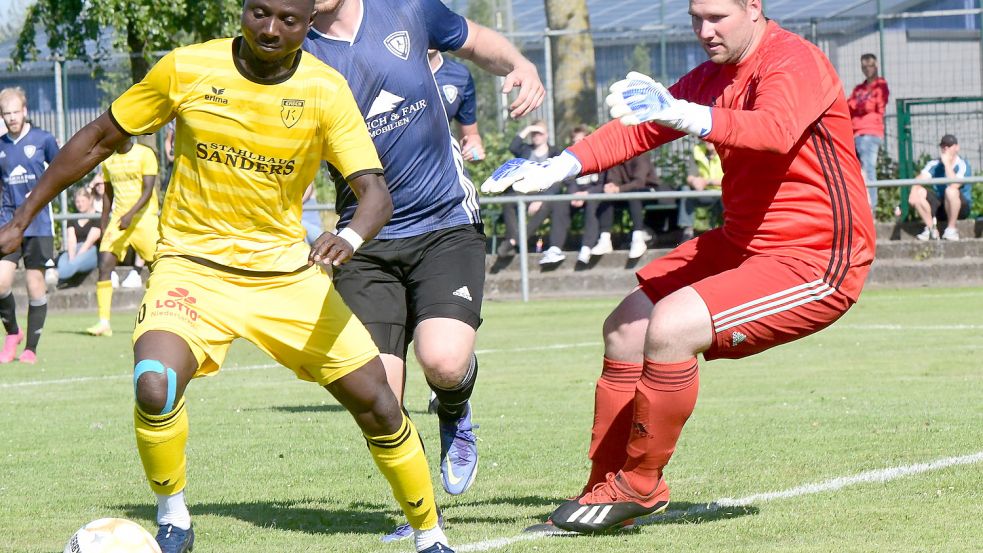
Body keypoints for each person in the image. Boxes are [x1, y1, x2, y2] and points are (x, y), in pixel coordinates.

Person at [0, 2, 456, 553]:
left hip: (287, 276)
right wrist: (23, 216)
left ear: (309, 22)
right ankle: (173, 519)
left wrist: (350, 238)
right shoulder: (187, 68)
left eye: (287, 19)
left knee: (380, 404)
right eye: (258, 12)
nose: (269, 29)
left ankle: (430, 534)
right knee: (154, 383)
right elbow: (98, 137)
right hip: (191, 269)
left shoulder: (325, 90)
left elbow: (375, 193)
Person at [482, 0, 875, 532]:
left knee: (670, 328)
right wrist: (561, 165)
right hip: (743, 243)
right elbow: (639, 130)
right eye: (695, 18)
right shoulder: (715, 74)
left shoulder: (794, 60)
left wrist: (683, 113)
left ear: (754, 8)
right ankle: (604, 484)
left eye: (717, 17)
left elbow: (774, 128)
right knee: (625, 328)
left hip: (818, 256)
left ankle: (641, 484)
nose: (703, 30)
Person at [305, 0, 543, 542]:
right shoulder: (296, 52)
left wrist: (520, 66)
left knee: (443, 360)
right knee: (379, 399)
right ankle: (420, 513)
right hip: (362, 236)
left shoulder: (406, 9)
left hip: (444, 223)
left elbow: (477, 38)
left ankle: (455, 407)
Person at [0, 86, 59, 365]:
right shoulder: (0, 145)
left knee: (35, 285)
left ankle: (31, 349)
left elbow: (61, 173)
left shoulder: (43, 139)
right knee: (0, 284)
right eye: (6, 113)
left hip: (38, 223)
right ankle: (13, 333)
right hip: (8, 225)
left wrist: (38, 196)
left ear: (25, 111)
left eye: (15, 112)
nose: (11, 118)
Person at [86, 137, 160, 337]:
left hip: (144, 219)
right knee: (105, 265)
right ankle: (104, 322)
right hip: (119, 221)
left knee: (158, 269)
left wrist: (130, 214)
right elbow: (108, 195)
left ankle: (161, 317)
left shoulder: (145, 154)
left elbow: (147, 191)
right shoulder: (108, 161)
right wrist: (103, 222)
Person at [497, 121, 564, 259]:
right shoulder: (525, 150)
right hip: (524, 192)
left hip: (544, 194)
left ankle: (513, 241)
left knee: (545, 206)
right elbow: (513, 146)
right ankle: (517, 240)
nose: (536, 136)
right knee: (508, 200)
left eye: (539, 133)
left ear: (546, 135)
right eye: (534, 133)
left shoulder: (555, 153)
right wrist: (528, 128)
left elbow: (558, 180)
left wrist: (541, 198)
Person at [588, 153, 658, 260]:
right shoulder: (616, 155)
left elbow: (639, 182)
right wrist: (611, 185)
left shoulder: (641, 154)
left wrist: (618, 189)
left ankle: (638, 239)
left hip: (648, 190)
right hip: (625, 191)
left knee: (633, 193)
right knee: (607, 197)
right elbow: (613, 178)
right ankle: (605, 238)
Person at [847, 53, 889, 214]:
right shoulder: (859, 88)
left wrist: (858, 105)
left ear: (876, 65)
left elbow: (873, 105)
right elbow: (849, 105)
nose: (867, 69)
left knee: (869, 168)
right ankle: (861, 204)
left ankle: (871, 207)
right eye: (864, 66)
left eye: (870, 65)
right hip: (855, 133)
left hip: (870, 133)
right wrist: (860, 105)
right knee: (858, 171)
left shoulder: (881, 85)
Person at [909, 134, 971, 241]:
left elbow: (954, 184)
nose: (945, 148)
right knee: (918, 191)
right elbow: (920, 179)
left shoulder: (962, 164)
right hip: (940, 206)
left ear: (957, 147)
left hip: (960, 208)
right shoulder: (934, 164)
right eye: (943, 146)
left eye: (949, 145)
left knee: (951, 191)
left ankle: (951, 229)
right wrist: (913, 192)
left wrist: (947, 164)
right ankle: (931, 229)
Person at [429, 49, 484, 163]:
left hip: (442, 169)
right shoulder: (388, 71)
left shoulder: (460, 75)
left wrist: (473, 150)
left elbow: (471, 136)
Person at [54, 187, 101, 288]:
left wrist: (76, 257)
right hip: (74, 249)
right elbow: (71, 240)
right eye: (77, 201)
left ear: (90, 200)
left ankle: (55, 276)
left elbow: (90, 241)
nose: (80, 204)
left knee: (75, 263)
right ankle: (58, 274)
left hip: (90, 250)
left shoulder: (97, 217)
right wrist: (71, 257)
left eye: (83, 201)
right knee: (63, 260)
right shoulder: (72, 218)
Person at [677, 140, 724, 241]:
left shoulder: (727, 152)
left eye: (712, 139)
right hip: (705, 193)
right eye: (706, 138)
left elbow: (732, 179)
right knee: (685, 189)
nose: (708, 141)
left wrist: (707, 182)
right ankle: (687, 231)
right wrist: (694, 181)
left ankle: (733, 232)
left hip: (725, 192)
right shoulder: (697, 151)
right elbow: (690, 176)